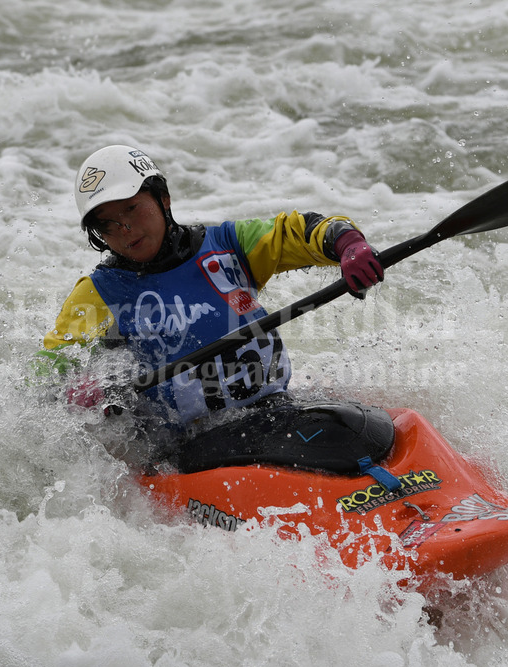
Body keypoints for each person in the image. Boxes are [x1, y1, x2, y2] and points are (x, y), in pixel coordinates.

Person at [41, 145, 395, 473]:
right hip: (192, 447)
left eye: (131, 209)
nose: (125, 228)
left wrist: (346, 243)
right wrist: (73, 385)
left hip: (277, 411)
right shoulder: (99, 293)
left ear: (163, 198)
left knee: (360, 429)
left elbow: (296, 232)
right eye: (107, 224)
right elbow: (47, 367)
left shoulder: (228, 246)